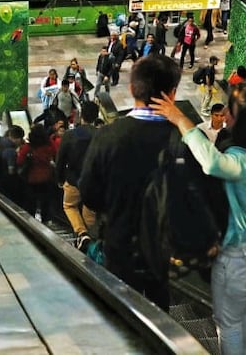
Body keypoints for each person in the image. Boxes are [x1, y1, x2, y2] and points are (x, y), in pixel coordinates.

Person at [152, 78, 246, 355]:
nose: (224, 114)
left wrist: (180, 119)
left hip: (239, 254)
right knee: (242, 310)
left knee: (227, 322)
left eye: (231, 111)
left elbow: (212, 163)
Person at [79, 52, 183, 311]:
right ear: (172, 93)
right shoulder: (183, 140)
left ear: (132, 88)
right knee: (159, 305)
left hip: (119, 242)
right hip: (162, 247)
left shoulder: (108, 136)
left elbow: (89, 194)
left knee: (121, 309)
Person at [56, 102, 100, 250]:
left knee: (69, 205)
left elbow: (60, 159)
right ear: (96, 116)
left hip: (73, 180)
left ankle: (82, 234)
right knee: (90, 211)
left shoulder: (69, 135)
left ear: (81, 116)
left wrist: (60, 179)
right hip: (94, 182)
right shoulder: (100, 135)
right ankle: (93, 242)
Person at [17, 123, 57, 222]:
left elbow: (19, 161)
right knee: (45, 201)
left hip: (31, 178)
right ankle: (46, 221)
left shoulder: (28, 147)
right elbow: (56, 152)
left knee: (31, 202)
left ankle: (31, 221)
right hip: (47, 177)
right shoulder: (49, 144)